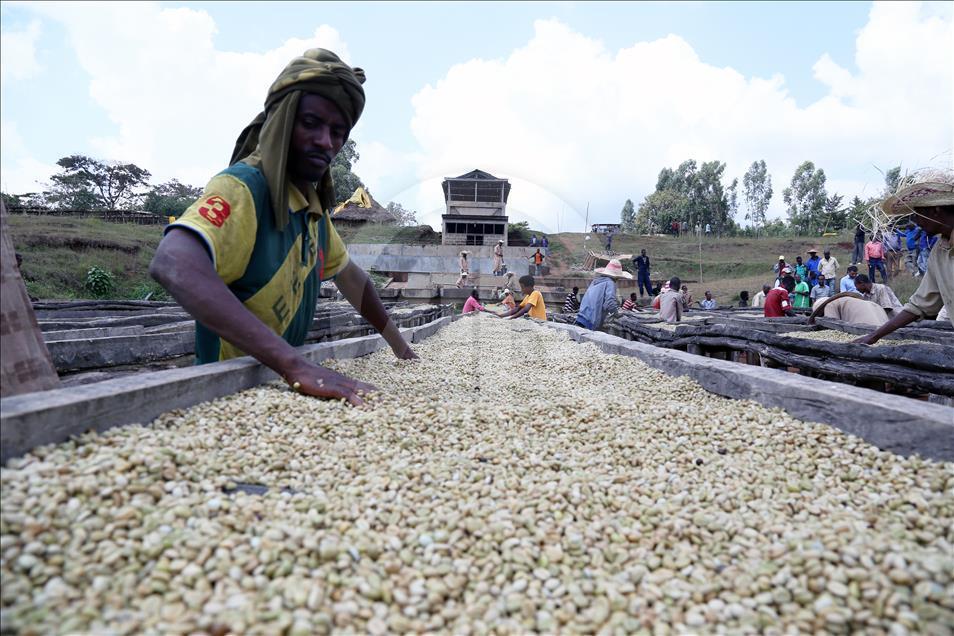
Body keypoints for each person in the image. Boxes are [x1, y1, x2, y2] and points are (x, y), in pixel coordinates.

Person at [150, 49, 414, 406]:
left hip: (282, 387)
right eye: (311, 124)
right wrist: (295, 366)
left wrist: (402, 349)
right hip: (228, 393)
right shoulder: (244, 188)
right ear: (282, 122)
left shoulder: (311, 208)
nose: (326, 141)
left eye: (338, 131)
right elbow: (173, 261)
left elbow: (353, 280)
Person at [855, 173, 953, 343]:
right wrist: (874, 336)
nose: (916, 222)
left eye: (917, 214)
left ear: (935, 210)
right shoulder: (939, 252)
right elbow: (919, 305)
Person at [575, 259, 630, 330]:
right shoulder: (610, 283)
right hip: (591, 320)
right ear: (616, 277)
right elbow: (610, 302)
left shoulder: (596, 281)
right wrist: (616, 314)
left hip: (581, 316)